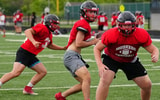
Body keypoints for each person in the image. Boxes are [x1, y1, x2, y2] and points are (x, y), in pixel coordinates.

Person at [94, 11, 159, 100]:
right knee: (105, 79)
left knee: (147, 85)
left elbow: (154, 49)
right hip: (112, 58)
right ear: (119, 25)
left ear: (134, 25)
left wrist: (155, 54)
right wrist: (100, 65)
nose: (127, 28)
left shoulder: (140, 34)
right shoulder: (111, 34)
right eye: (125, 25)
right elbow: (97, 48)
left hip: (130, 60)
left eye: (129, 25)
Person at [0, 14, 66, 95]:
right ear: (49, 23)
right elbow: (27, 31)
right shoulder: (42, 27)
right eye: (55, 24)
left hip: (31, 55)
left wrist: (63, 48)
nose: (56, 26)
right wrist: (33, 41)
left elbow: (50, 45)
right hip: (24, 52)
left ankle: (28, 88)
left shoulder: (49, 33)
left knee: (42, 72)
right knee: (16, 72)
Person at [55, 1, 99, 100]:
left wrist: (93, 40)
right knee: (86, 78)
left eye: (94, 12)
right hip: (72, 56)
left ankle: (61, 96)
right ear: (84, 12)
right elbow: (79, 43)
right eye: (90, 12)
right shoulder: (83, 23)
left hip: (73, 56)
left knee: (84, 82)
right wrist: (93, 42)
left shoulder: (84, 23)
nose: (93, 14)